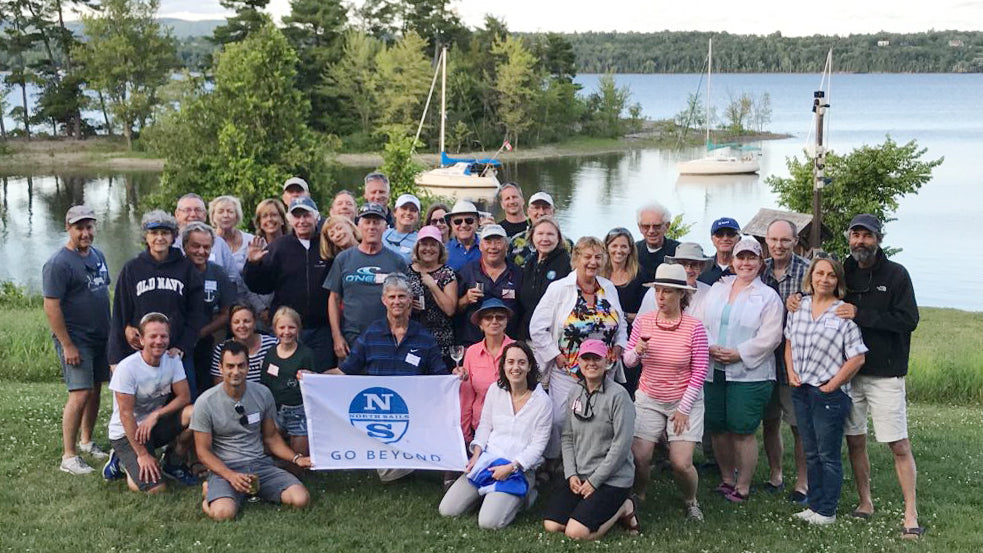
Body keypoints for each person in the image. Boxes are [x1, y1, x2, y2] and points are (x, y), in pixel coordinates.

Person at [789, 214, 922, 538]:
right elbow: (820, 293)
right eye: (855, 235)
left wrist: (863, 314)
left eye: (867, 236)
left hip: (884, 373)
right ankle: (865, 502)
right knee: (855, 441)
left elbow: (908, 320)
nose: (860, 241)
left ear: (878, 238)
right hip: (846, 376)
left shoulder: (896, 275)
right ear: (849, 238)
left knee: (898, 443)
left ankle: (910, 513)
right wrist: (796, 299)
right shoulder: (843, 270)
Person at [694, 236, 783, 502]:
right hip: (714, 368)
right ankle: (726, 479)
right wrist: (710, 348)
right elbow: (700, 323)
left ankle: (743, 486)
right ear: (732, 261)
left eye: (751, 257)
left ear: (760, 262)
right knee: (719, 427)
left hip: (749, 373)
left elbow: (771, 337)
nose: (745, 263)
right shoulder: (718, 289)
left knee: (742, 429)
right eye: (740, 257)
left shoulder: (768, 297)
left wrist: (739, 353)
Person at [785, 255, 868, 526]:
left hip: (828, 394)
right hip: (801, 389)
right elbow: (788, 343)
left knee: (828, 454)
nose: (824, 279)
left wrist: (832, 385)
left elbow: (857, 357)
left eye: (830, 275)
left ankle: (827, 510)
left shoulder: (843, 312)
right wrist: (790, 372)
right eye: (819, 273)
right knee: (811, 452)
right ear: (810, 277)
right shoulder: (798, 307)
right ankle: (814, 504)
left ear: (838, 282)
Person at [529, 236, 628, 460]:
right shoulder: (559, 289)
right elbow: (536, 327)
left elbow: (620, 322)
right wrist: (555, 355)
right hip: (568, 369)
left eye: (598, 257)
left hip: (603, 368)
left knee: (598, 419)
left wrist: (620, 345)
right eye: (587, 256)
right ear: (576, 259)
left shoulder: (608, 288)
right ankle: (553, 459)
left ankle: (590, 459)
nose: (593, 262)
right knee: (559, 419)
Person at [623, 264, 709, 520]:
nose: (661, 297)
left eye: (668, 292)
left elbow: (700, 370)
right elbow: (628, 361)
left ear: (681, 295)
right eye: (658, 291)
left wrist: (683, 409)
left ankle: (691, 499)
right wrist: (637, 351)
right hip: (649, 396)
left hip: (685, 399)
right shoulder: (644, 321)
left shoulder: (694, 327)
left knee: (680, 463)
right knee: (640, 456)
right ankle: (639, 493)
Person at [193, 340, 312, 520]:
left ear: (248, 367)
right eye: (230, 366)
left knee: (300, 499)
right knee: (223, 514)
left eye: (241, 365)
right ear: (220, 367)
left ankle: (250, 491)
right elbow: (202, 451)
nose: (236, 371)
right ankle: (210, 492)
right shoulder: (205, 402)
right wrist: (230, 476)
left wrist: (297, 458)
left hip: (260, 465)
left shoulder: (263, 394)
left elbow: (271, 438)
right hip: (225, 468)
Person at [439, 342, 552, 529]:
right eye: (511, 362)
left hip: (518, 468)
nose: (516, 367)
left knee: (489, 523)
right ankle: (489, 496)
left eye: (522, 363)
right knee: (448, 510)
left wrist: (511, 467)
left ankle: (526, 496)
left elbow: (538, 446)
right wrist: (476, 455)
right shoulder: (495, 390)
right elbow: (485, 426)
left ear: (530, 366)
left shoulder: (542, 402)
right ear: (504, 366)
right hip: (488, 461)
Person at [543, 340, 638, 540]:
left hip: (612, 478)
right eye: (586, 358)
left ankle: (623, 507)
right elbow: (567, 436)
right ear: (579, 361)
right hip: (581, 474)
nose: (591, 363)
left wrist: (595, 482)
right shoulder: (575, 392)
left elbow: (621, 447)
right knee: (551, 525)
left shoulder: (619, 396)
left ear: (608, 361)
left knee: (575, 533)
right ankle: (587, 508)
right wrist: (571, 474)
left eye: (597, 358)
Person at [43, 205, 112, 474]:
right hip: (75, 339)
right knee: (80, 392)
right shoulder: (58, 263)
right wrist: (68, 344)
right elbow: (51, 306)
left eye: (89, 227)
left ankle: (86, 442)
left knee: (95, 390)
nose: (85, 233)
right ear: (68, 229)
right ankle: (69, 456)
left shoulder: (98, 255)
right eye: (79, 228)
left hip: (100, 336)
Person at [109, 210, 205, 397]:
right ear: (146, 236)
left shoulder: (186, 268)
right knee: (139, 402)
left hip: (175, 352)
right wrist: (117, 352)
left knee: (186, 403)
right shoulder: (132, 269)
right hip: (141, 353)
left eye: (165, 233)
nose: (159, 238)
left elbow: (196, 314)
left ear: (173, 236)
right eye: (154, 233)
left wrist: (183, 346)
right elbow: (120, 313)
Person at [105, 313, 196, 492]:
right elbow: (125, 414)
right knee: (155, 489)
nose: (159, 341)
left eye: (163, 336)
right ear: (141, 339)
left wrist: (156, 414)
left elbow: (184, 397)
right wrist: (142, 454)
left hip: (152, 426)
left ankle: (173, 462)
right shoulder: (127, 368)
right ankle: (122, 461)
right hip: (126, 432)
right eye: (153, 336)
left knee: (196, 413)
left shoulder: (172, 360)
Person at [243, 197, 335, 371]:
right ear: (290, 220)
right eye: (297, 217)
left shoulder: (327, 245)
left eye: (306, 216)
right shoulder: (279, 247)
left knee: (321, 376)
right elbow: (261, 286)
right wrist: (253, 264)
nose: (301, 221)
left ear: (316, 217)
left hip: (321, 329)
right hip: (287, 328)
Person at [761, 219, 812, 502]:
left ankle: (802, 482)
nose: (778, 245)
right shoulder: (760, 269)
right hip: (765, 360)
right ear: (766, 241)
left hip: (797, 362)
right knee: (770, 421)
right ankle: (775, 474)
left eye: (784, 240)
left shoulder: (808, 272)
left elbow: (826, 305)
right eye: (773, 240)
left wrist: (802, 302)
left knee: (798, 425)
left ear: (795, 241)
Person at [323, 203, 408, 358]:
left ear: (385, 227)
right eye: (367, 222)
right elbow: (334, 299)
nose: (371, 227)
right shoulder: (343, 259)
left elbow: (407, 301)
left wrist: (401, 332)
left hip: (387, 338)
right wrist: (336, 336)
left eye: (376, 222)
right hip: (351, 338)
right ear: (358, 225)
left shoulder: (397, 261)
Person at [332, 274, 447, 377]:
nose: (397, 302)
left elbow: (442, 377)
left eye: (401, 296)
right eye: (392, 297)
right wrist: (315, 378)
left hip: (413, 399)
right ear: (384, 300)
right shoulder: (371, 334)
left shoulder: (424, 337)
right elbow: (345, 370)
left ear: (410, 300)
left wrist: (457, 375)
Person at [260, 307, 320, 463]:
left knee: (299, 459)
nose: (286, 332)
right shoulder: (270, 353)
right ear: (274, 329)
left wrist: (310, 377)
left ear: (298, 329)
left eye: (291, 327)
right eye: (282, 327)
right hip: (275, 410)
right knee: (267, 445)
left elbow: (315, 385)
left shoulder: (306, 354)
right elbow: (264, 383)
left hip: (298, 411)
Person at [183, 222, 234, 393]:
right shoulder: (176, 270)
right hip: (177, 341)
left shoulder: (217, 273)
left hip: (205, 339)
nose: (201, 251)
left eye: (206, 247)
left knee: (205, 386)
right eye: (195, 246)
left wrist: (201, 333)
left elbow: (227, 312)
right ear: (185, 246)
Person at [459, 299, 516, 444]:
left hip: (511, 429)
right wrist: (465, 435)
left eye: (500, 317)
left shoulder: (517, 349)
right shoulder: (471, 352)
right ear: (480, 324)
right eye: (488, 317)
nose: (494, 321)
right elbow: (466, 396)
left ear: (506, 322)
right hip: (479, 427)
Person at [456, 224, 523, 345]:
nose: (493, 247)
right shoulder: (467, 271)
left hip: (509, 344)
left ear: (506, 246)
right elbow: (453, 310)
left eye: (498, 242)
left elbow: (525, 309)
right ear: (481, 246)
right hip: (472, 343)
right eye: (488, 242)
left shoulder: (519, 273)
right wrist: (466, 299)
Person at [406, 225, 458, 362]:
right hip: (412, 341)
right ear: (417, 247)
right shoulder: (406, 272)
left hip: (441, 344)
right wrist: (408, 305)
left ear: (440, 249)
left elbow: (450, 309)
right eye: (424, 244)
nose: (428, 249)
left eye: (433, 245)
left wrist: (432, 285)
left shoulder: (447, 273)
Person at [517, 217, 571, 339]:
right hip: (527, 334)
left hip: (553, 336)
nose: (544, 239)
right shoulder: (530, 263)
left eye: (550, 234)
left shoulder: (566, 263)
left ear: (558, 238)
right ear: (532, 237)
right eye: (540, 234)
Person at [174, 193, 239, 286]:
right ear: (177, 214)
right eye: (187, 210)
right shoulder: (170, 243)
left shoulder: (219, 243)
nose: (193, 214)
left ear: (205, 215)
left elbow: (233, 278)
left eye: (198, 210)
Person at [638, 242, 712, 317]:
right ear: (674, 265)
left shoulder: (710, 293)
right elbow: (641, 323)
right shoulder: (656, 292)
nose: (688, 270)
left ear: (701, 268)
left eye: (694, 265)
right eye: (683, 264)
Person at [209, 305, 277, 385]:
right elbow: (220, 385)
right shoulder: (221, 349)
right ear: (231, 325)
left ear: (255, 323)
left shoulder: (273, 344)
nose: (242, 326)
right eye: (236, 322)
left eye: (246, 321)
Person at [208, 195, 253, 303]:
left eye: (230, 211)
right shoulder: (206, 241)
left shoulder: (251, 241)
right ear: (213, 216)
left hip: (247, 302)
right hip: (215, 302)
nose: (225, 215)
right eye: (220, 211)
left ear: (237, 216)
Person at [508, 191, 572, 268]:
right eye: (536, 208)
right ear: (528, 212)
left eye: (545, 208)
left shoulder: (567, 244)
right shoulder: (515, 241)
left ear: (553, 212)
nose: (541, 212)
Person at [602, 227, 647, 327]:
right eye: (614, 246)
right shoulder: (598, 274)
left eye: (623, 246)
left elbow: (645, 315)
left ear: (630, 249)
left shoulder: (639, 275)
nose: (618, 250)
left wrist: (622, 316)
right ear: (607, 248)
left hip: (631, 331)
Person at [634, 203, 680, 280]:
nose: (651, 231)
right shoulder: (633, 251)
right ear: (640, 227)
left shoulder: (678, 251)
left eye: (657, 226)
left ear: (667, 226)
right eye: (646, 226)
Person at [698, 217, 741, 285]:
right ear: (712, 239)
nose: (725, 238)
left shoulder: (745, 269)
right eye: (719, 234)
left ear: (739, 239)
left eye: (730, 234)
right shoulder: (702, 267)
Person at [382, 193, 421, 262]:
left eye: (413, 210)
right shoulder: (382, 234)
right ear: (395, 212)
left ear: (418, 216)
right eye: (404, 208)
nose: (408, 212)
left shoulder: (420, 241)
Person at [445, 200, 482, 271]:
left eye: (469, 221)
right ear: (451, 224)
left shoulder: (488, 249)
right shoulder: (444, 251)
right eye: (458, 221)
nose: (464, 225)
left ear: (477, 222)